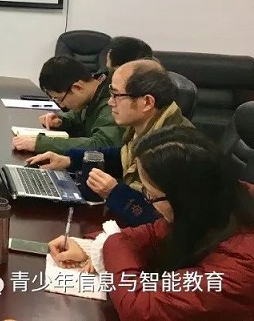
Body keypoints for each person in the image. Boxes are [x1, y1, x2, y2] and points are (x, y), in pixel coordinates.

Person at [48, 126, 254, 320]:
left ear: (184, 199)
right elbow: (154, 233)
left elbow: (140, 307)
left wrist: (110, 244)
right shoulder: (218, 201)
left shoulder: (242, 266)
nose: (148, 201)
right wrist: (93, 247)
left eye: (151, 195)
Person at [28, 59, 194, 225]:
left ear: (147, 102)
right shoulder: (146, 126)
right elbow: (121, 156)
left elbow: (161, 222)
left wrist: (114, 192)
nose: (110, 102)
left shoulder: (174, 148)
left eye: (117, 96)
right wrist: (70, 160)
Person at [12, 56, 123, 153]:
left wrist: (42, 144)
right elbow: (81, 117)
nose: (62, 106)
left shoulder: (112, 103)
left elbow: (102, 144)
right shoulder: (93, 92)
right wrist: (62, 121)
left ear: (77, 87)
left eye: (60, 100)